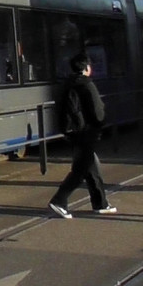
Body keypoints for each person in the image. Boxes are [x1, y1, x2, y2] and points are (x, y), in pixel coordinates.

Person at [48, 53, 116, 218]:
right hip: (86, 132)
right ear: (87, 68)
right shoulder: (87, 85)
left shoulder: (66, 84)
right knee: (81, 169)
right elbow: (98, 111)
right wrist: (100, 125)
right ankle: (59, 200)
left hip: (72, 132)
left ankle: (100, 203)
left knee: (91, 167)